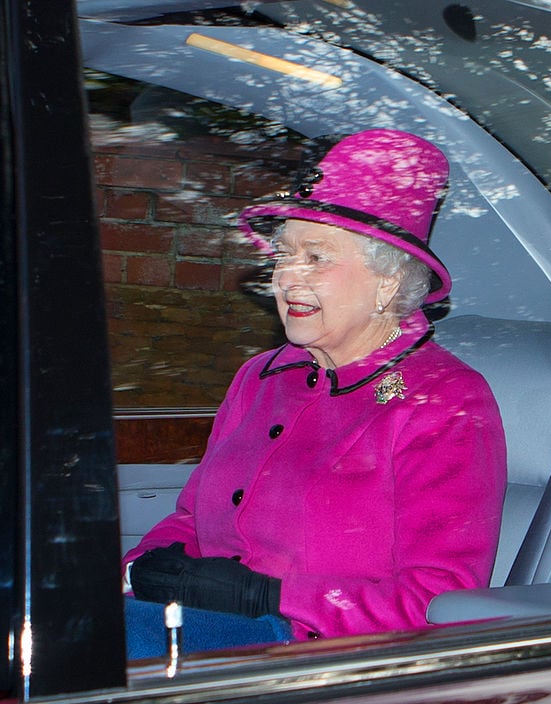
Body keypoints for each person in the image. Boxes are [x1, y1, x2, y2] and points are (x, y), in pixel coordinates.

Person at [123, 129, 507, 658]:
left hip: (322, 653)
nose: (287, 278)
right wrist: (138, 568)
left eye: (317, 258)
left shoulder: (444, 401)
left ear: (387, 283)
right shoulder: (261, 377)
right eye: (284, 256)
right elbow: (191, 520)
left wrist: (272, 597)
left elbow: (440, 597)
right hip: (209, 629)